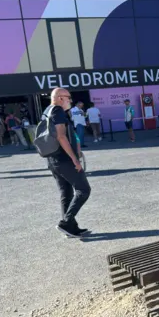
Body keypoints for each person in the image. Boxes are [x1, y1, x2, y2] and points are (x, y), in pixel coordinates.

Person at [45, 88, 91, 238]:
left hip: (52, 159)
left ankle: (71, 228)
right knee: (83, 190)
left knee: (66, 193)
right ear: (59, 98)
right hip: (64, 159)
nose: (70, 100)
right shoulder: (57, 111)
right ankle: (66, 222)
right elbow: (61, 136)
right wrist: (74, 159)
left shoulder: (47, 110)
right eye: (68, 97)